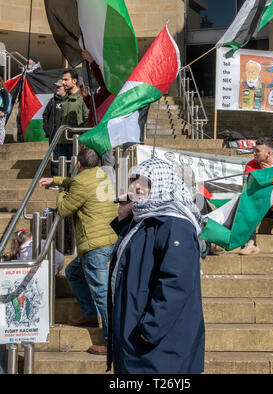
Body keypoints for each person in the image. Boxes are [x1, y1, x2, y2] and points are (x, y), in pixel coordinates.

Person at [107, 157, 206, 374]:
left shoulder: (175, 224)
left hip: (159, 348)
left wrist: (149, 329)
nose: (137, 186)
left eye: (146, 181)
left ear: (163, 184)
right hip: (138, 342)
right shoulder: (144, 221)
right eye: (135, 180)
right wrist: (125, 214)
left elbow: (176, 283)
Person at [38, 146, 117, 355]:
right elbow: (76, 183)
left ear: (78, 164)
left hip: (95, 245)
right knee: (73, 273)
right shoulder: (101, 175)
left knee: (102, 294)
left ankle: (111, 343)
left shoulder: (81, 183)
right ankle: (91, 314)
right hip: (109, 239)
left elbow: (64, 209)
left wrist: (60, 192)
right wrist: (55, 180)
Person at [59, 69, 89, 166]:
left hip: (76, 142)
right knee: (63, 171)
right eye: (63, 80)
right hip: (62, 141)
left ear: (74, 81)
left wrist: (83, 141)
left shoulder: (83, 98)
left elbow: (87, 119)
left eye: (66, 80)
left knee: (75, 170)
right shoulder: (65, 98)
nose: (63, 82)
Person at [42, 79, 66, 176]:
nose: (57, 88)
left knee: (66, 157)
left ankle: (66, 179)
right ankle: (55, 179)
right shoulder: (52, 101)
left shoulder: (70, 100)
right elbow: (45, 115)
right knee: (54, 157)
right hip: (54, 135)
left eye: (59, 86)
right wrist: (47, 128)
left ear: (65, 87)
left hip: (66, 135)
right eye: (56, 86)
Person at [0, 76, 11, 145]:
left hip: (1, 112)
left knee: (0, 127)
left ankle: (1, 141)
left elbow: (6, 102)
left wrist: (4, 111)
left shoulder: (3, 91)